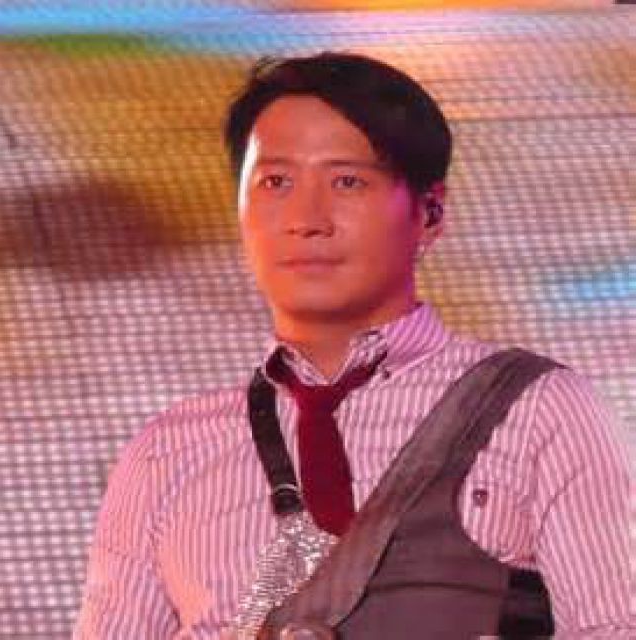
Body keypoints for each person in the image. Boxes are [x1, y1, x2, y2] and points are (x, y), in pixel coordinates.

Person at [74, 52, 634, 638]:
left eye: (347, 181)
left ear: (431, 212)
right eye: (275, 182)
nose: (306, 219)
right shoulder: (167, 452)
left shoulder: (539, 410)